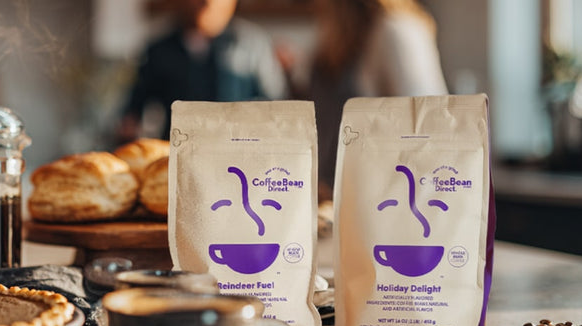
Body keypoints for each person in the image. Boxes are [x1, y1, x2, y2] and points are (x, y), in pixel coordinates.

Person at [309, 0, 447, 200]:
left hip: (385, 202)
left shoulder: (396, 32)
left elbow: (427, 129)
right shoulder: (346, 32)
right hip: (342, 197)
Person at [117, 0, 288, 145]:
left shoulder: (253, 45)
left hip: (239, 158)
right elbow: (133, 110)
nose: (207, 3)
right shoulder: (159, 50)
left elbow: (277, 108)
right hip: (179, 156)